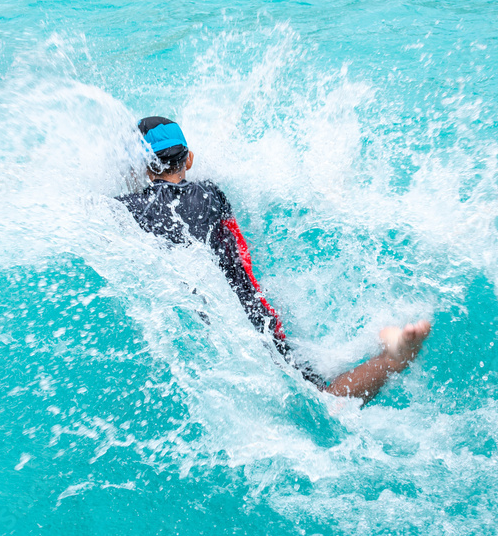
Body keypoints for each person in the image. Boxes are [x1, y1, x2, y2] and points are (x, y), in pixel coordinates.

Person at [115, 116, 431, 405]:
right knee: (323, 396)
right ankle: (390, 360)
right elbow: (241, 257)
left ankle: (389, 359)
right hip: (253, 313)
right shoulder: (213, 194)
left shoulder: (128, 209)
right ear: (190, 158)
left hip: (210, 323)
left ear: (141, 167)